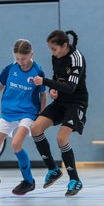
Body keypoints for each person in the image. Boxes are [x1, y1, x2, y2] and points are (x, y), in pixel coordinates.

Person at [0, 39, 46, 196]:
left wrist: (42, 114)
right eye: (17, 58)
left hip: (28, 112)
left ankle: (29, 181)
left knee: (16, 143)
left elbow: (43, 95)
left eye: (23, 58)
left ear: (31, 54)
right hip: (9, 112)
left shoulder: (38, 71)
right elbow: (1, 85)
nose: (20, 62)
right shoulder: (10, 68)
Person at [31, 30, 88, 196]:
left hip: (76, 102)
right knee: (35, 129)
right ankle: (53, 170)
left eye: (54, 49)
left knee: (61, 138)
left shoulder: (76, 58)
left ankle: (74, 180)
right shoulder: (55, 57)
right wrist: (53, 89)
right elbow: (58, 79)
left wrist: (46, 82)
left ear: (65, 46)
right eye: (50, 49)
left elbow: (71, 88)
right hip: (61, 101)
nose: (52, 53)